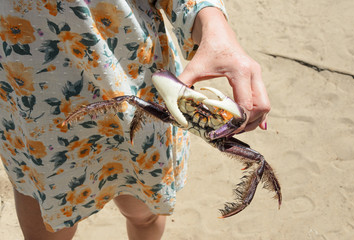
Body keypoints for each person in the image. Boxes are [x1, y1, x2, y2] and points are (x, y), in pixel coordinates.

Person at [0, 0, 270, 239]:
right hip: (32, 112)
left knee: (145, 213)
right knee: (48, 230)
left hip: (136, 86)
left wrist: (214, 25)